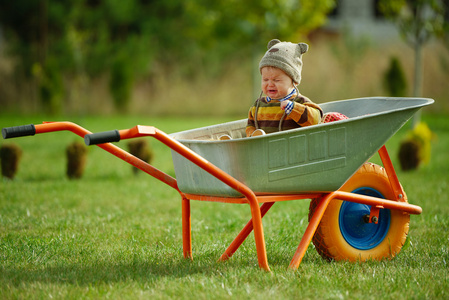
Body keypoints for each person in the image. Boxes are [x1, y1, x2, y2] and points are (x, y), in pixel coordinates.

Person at [246, 39, 323, 137]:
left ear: (294, 81)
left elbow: (316, 120)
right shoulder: (258, 105)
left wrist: (293, 108)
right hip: (266, 150)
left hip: (293, 149)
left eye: (276, 80)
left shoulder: (299, 101)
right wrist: (252, 135)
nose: (270, 84)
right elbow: (250, 125)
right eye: (265, 79)